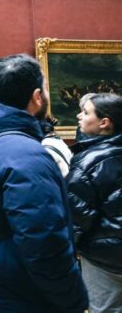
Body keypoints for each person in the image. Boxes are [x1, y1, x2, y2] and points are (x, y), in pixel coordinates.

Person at [0, 54, 88, 312]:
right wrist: (74, 300)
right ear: (37, 97)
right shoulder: (26, 155)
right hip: (21, 295)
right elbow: (44, 243)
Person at [66, 93, 122, 312]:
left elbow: (75, 217)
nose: (79, 116)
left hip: (104, 260)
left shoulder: (89, 162)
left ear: (104, 122)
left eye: (86, 112)